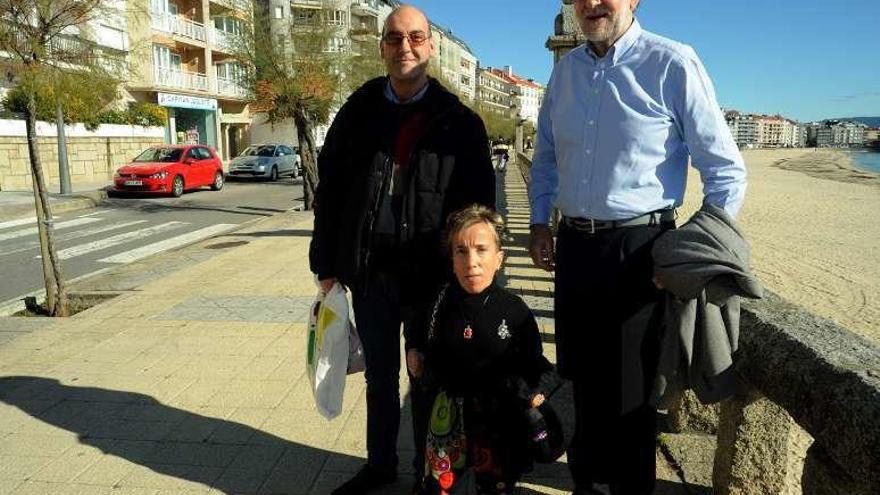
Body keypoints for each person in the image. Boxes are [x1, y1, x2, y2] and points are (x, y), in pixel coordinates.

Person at [527, 1, 747, 494]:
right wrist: (540, 222)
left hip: (640, 250)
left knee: (632, 394)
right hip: (575, 250)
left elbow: (726, 172)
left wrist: (689, 252)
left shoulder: (672, 62)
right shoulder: (566, 76)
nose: (592, 4)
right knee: (580, 379)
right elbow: (544, 157)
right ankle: (584, 485)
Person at [309, 4, 496, 494]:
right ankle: (381, 465)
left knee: (428, 378)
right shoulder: (358, 111)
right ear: (382, 47)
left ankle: (430, 475)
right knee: (379, 378)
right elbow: (328, 191)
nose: (405, 47)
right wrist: (325, 265)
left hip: (429, 277)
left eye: (415, 37)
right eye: (395, 38)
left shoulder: (459, 122)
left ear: (430, 46)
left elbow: (478, 213)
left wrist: (472, 278)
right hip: (370, 271)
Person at [408, 205, 562, 495]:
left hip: (499, 419)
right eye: (461, 251)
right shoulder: (438, 302)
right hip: (447, 417)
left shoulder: (515, 311)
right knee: (440, 486)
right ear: (451, 259)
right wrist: (413, 349)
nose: (472, 262)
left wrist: (538, 388)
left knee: (495, 486)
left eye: (481, 250)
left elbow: (536, 363)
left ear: (499, 258)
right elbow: (417, 329)